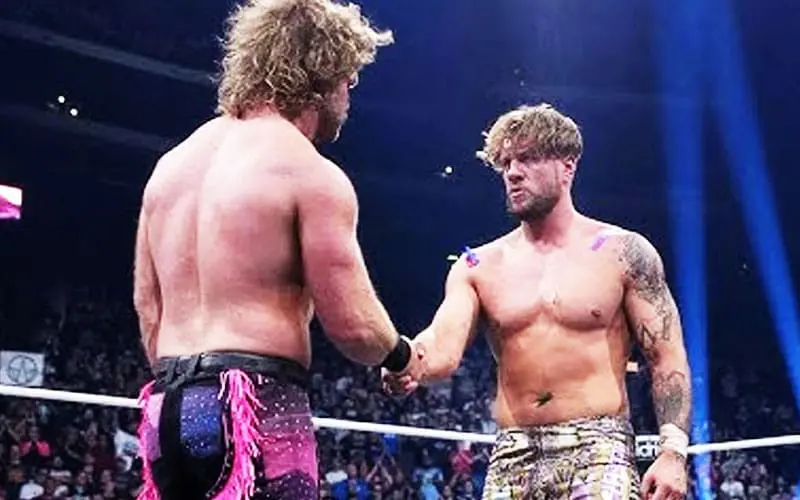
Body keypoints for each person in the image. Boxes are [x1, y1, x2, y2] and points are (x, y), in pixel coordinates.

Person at [132, 1, 423, 499]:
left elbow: (147, 305)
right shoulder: (308, 172)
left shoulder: (170, 168)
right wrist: (400, 355)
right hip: (254, 400)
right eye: (348, 80)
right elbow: (353, 326)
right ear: (321, 72)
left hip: (166, 407)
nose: (349, 95)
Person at [383, 103, 692, 499]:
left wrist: (673, 452)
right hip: (513, 453)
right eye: (505, 162)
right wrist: (407, 358)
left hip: (598, 451)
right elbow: (442, 343)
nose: (512, 172)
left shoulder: (624, 253)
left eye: (527, 158)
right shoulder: (478, 266)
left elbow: (666, 356)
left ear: (567, 166)